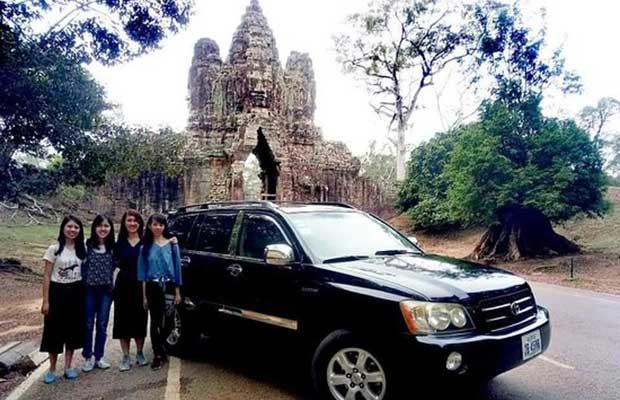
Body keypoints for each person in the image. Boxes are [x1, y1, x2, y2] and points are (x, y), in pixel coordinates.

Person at [40, 215, 87, 384]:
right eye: (69, 227)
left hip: (76, 292)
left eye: (76, 227)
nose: (72, 230)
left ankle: (68, 367)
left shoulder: (82, 249)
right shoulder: (54, 249)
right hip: (57, 292)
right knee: (53, 331)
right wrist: (46, 300)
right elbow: (46, 275)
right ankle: (52, 369)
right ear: (63, 228)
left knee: (72, 331)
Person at [137, 213, 182, 370]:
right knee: (155, 321)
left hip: (168, 285)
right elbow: (142, 273)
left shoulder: (172, 245)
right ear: (150, 226)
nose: (158, 227)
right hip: (152, 286)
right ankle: (158, 354)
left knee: (169, 322)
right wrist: (144, 297)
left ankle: (161, 346)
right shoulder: (145, 247)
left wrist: (177, 291)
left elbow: (177, 268)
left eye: (161, 225)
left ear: (164, 226)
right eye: (155, 224)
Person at [112, 210, 149, 371]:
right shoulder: (119, 243)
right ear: (124, 223)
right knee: (123, 320)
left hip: (141, 283)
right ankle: (126, 355)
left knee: (140, 318)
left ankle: (140, 352)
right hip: (123, 284)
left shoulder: (146, 242)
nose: (132, 223)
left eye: (136, 220)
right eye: (129, 220)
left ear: (140, 223)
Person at [81, 215, 116, 372]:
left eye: (106, 226)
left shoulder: (113, 247)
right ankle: (87, 357)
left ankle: (99, 357)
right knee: (88, 324)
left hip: (106, 292)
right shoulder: (86, 245)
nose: (103, 229)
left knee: (102, 325)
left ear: (110, 228)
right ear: (94, 227)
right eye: (100, 225)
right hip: (89, 291)